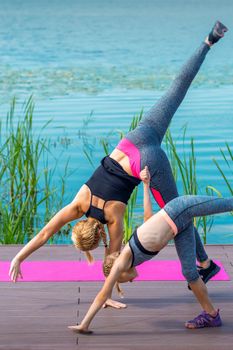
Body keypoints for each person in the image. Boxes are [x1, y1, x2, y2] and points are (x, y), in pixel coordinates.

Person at [9, 21, 228, 308]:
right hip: (136, 138)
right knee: (176, 90)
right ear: (80, 225)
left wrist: (108, 296)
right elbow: (44, 232)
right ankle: (209, 41)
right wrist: (18, 257)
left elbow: (113, 265)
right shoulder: (78, 203)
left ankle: (204, 264)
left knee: (179, 217)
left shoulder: (113, 220)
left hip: (148, 164)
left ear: (95, 238)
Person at [68, 167, 233, 333]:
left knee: (229, 204)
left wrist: (85, 324)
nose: (129, 281)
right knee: (189, 273)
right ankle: (212, 316)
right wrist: (146, 185)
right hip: (180, 227)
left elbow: (102, 295)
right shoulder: (133, 254)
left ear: (119, 269)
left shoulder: (123, 259)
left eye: (122, 279)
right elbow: (148, 218)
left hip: (182, 208)